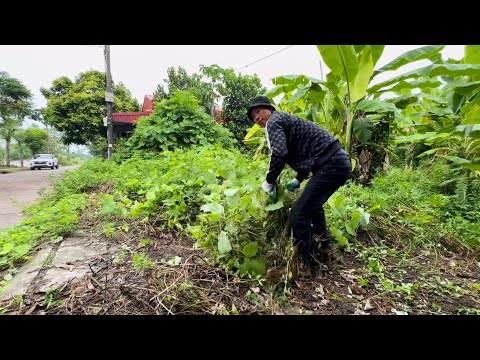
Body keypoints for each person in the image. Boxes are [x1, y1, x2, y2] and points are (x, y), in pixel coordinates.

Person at [247, 95, 352, 275]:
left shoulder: (274, 121)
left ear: (269, 109)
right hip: (337, 161)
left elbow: (280, 153)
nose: (256, 118)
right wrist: (299, 178)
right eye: (253, 118)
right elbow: (307, 151)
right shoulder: (284, 120)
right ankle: (326, 251)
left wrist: (269, 180)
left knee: (299, 212)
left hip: (331, 163)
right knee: (314, 207)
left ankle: (304, 264)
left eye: (258, 111)